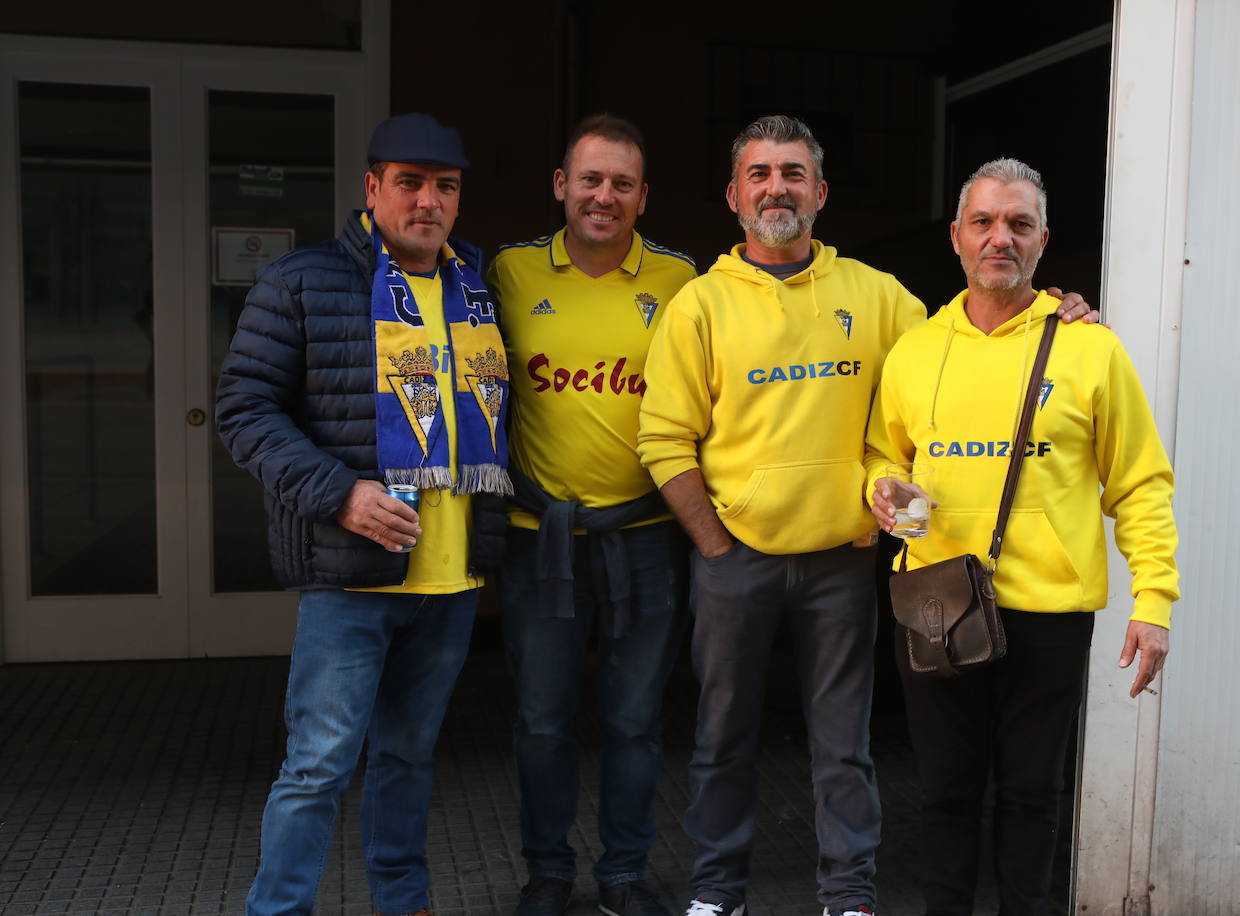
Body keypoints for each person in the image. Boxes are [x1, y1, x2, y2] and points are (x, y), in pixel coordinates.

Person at [636, 117, 1096, 916]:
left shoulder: (879, 298)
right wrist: (714, 544)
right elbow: (663, 438)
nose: (776, 187)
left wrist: (1053, 318)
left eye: (793, 173)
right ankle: (718, 890)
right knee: (720, 737)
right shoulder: (698, 306)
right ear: (733, 195)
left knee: (843, 745)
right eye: (759, 174)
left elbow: (963, 353)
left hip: (843, 561)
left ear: (821, 192)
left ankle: (847, 895)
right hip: (733, 559)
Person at [864, 157, 1178, 916]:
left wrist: (1155, 601)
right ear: (957, 238)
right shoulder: (914, 349)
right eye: (984, 222)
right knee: (944, 797)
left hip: (1050, 612)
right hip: (939, 604)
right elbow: (884, 455)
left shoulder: (1090, 348)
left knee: (1033, 800)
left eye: (1019, 224)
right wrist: (883, 493)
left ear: (1043, 241)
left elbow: (1140, 482)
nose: (999, 238)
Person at [216, 112, 511, 916]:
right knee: (316, 766)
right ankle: (278, 910)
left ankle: (401, 900)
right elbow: (243, 410)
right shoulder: (303, 280)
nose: (428, 201)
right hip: (350, 578)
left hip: (449, 577)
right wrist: (339, 493)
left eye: (444, 186)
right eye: (409, 183)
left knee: (409, 759)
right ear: (373, 187)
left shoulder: (476, 287)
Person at [485, 114, 696, 916]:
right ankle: (547, 871)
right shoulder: (508, 272)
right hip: (543, 541)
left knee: (636, 721)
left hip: (646, 539)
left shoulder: (681, 281)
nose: (603, 196)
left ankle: (623, 875)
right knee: (541, 720)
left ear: (644, 198)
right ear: (560, 186)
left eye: (621, 183)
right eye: (590, 179)